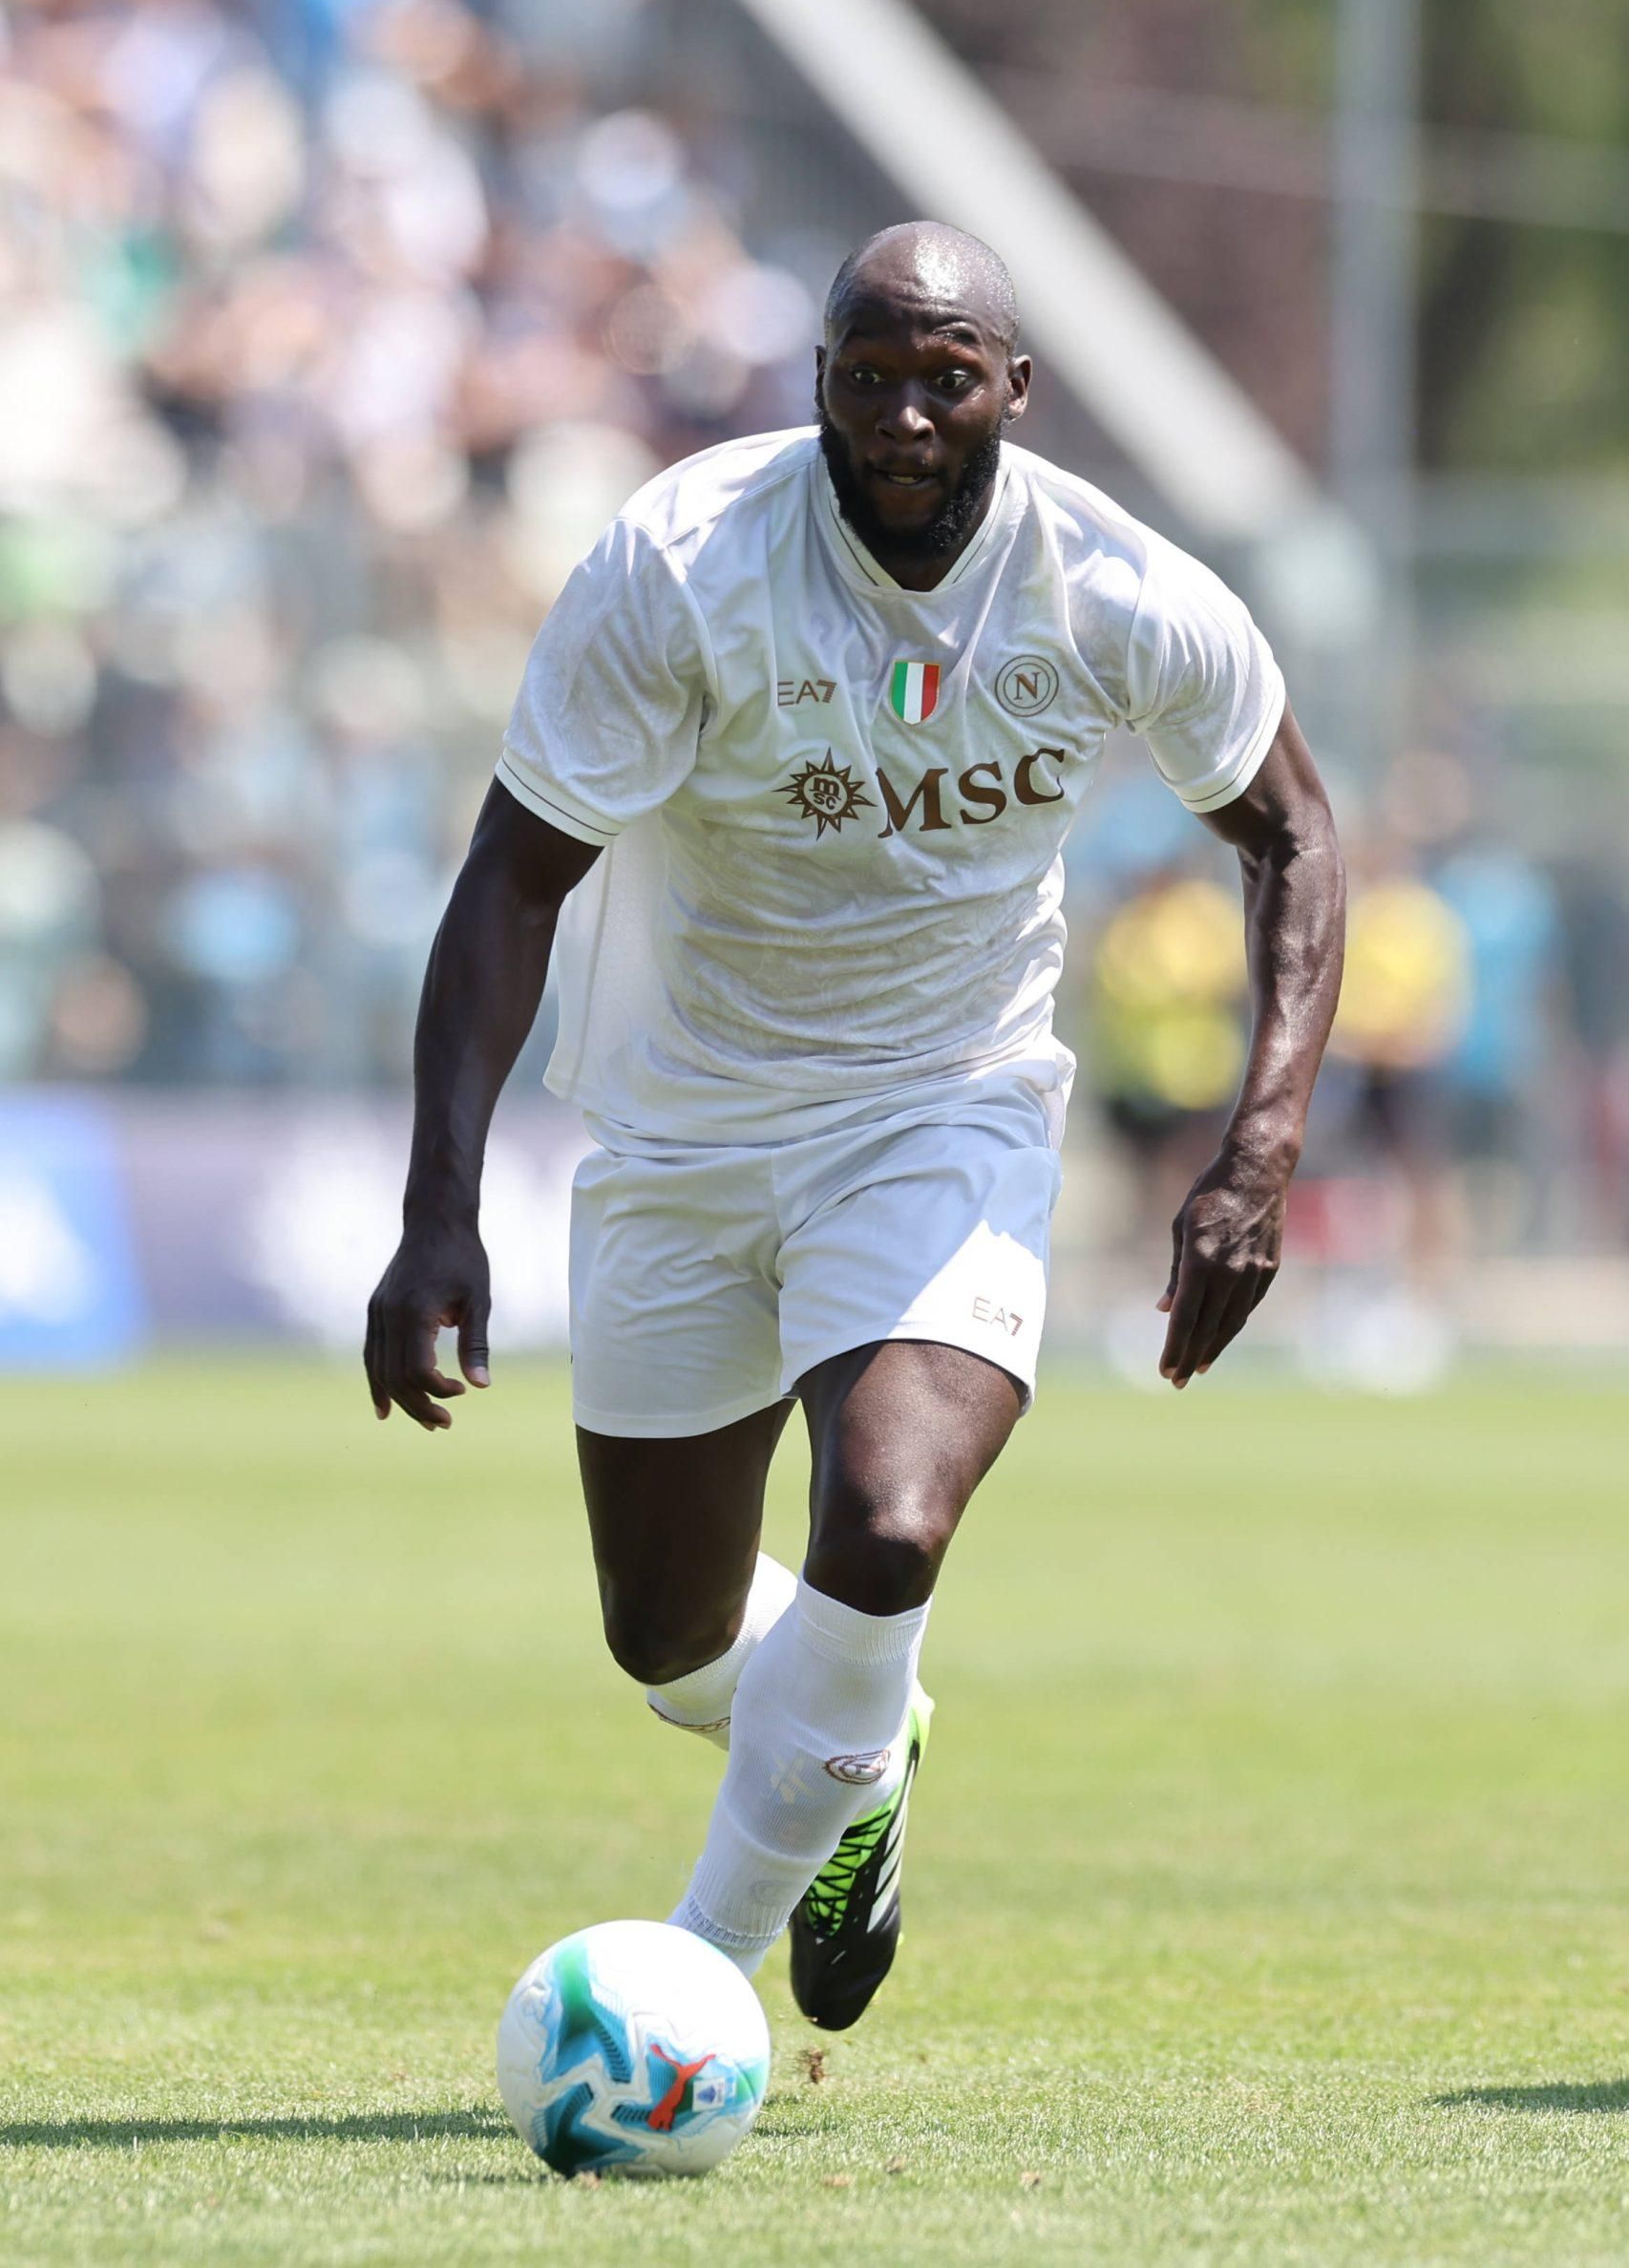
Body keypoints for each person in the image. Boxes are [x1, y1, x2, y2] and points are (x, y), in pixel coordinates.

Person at [364, 221, 1346, 2031]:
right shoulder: (679, 564)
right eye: (866, 373)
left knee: (881, 1530)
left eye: (943, 375)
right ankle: (860, 1760)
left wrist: (1259, 1147)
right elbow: (511, 883)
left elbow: (1289, 832)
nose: (901, 416)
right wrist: (440, 1209)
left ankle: (682, 1999)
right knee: (661, 1634)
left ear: (1014, 394)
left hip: (940, 1103)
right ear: (813, 377)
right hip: (680, 1124)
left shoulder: (1117, 591)